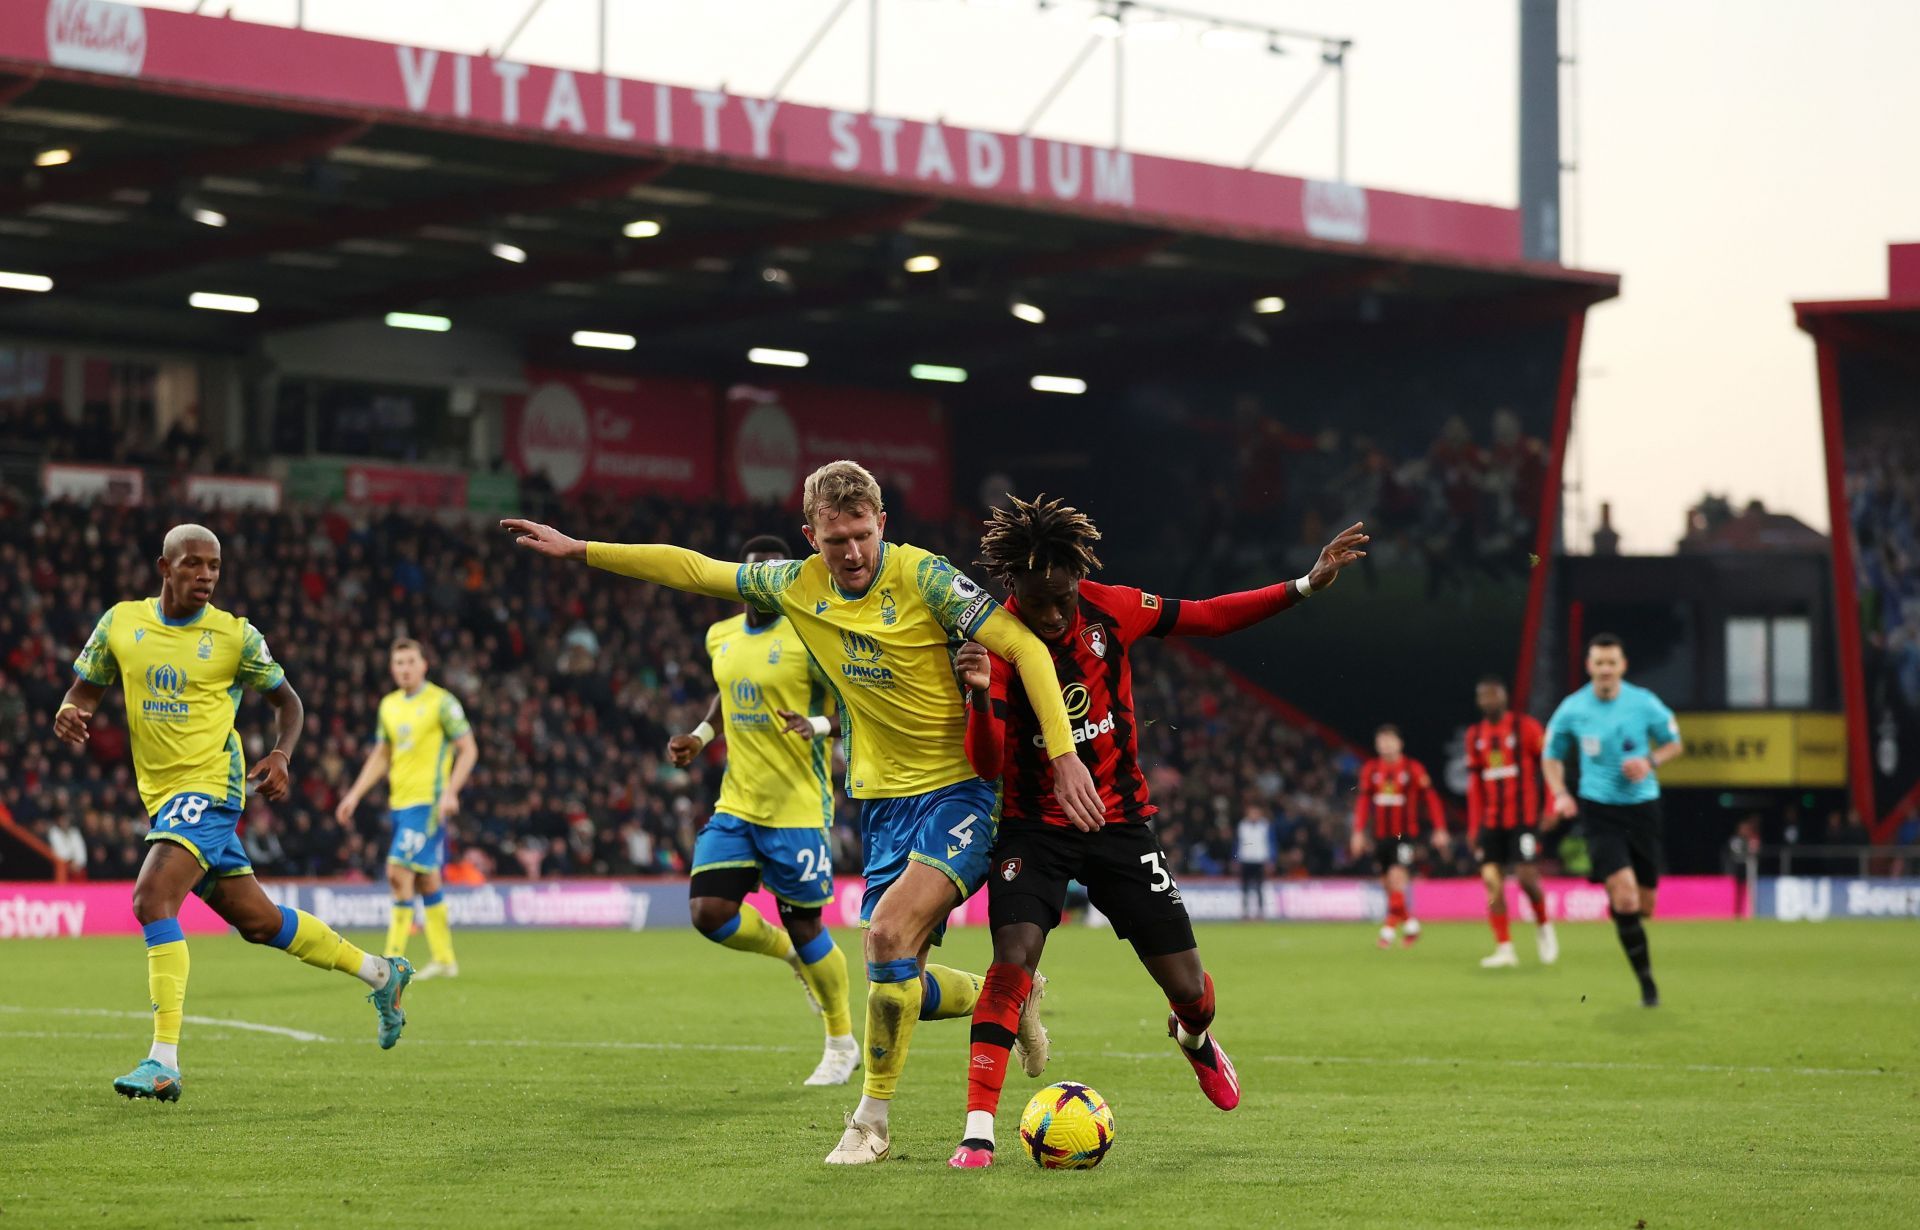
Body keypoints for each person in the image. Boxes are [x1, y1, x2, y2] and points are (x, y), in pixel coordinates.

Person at [502, 460, 1103, 1165]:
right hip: (879, 805)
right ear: (809, 536)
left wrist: (1064, 757)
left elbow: (1026, 646)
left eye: (861, 535)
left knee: (883, 940)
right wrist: (581, 549)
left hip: (960, 791)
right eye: (834, 539)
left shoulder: (927, 578)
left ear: (882, 525)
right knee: (897, 972)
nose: (850, 553)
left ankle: (870, 1122)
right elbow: (695, 569)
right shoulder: (793, 583)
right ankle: (1010, 991)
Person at [947, 495, 1367, 1168]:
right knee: (1011, 963)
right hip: (1035, 829)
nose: (1054, 615)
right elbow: (988, 762)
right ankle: (977, 1130)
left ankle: (1194, 1040)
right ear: (1011, 589)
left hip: (1120, 826)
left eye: (1063, 597)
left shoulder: (1112, 609)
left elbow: (1207, 617)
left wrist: (1304, 584)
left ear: (1078, 579)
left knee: (1193, 992)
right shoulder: (995, 643)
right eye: (1038, 601)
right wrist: (973, 696)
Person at [54, 524, 411, 1103]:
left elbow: (287, 701)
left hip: (214, 786)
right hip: (163, 795)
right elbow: (86, 689)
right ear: (163, 567)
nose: (206, 576)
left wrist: (280, 752)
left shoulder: (235, 637)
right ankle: (381, 973)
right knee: (261, 923)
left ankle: (162, 1061)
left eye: (215, 566)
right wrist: (70, 710)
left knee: (151, 899)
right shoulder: (121, 623)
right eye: (193, 564)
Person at [664, 533, 858, 1088]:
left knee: (806, 924)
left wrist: (815, 726)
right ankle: (790, 957)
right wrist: (702, 735)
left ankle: (841, 1043)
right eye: (756, 572)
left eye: (777, 573)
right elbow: (729, 690)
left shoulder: (809, 637)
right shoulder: (720, 635)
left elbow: (855, 702)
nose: (766, 582)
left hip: (796, 806)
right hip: (738, 802)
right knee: (708, 912)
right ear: (741, 577)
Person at [1543, 633, 1684, 1006]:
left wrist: (1649, 762)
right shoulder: (1573, 709)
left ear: (1622, 666)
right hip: (1598, 809)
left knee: (1644, 906)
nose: (1605, 670)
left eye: (1611, 663)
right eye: (1598, 663)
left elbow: (1674, 743)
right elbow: (1551, 755)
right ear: (1589, 666)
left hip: (1643, 808)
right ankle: (1648, 986)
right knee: (1625, 898)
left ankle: (1621, 903)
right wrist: (1560, 793)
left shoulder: (1644, 703)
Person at [337, 638, 478, 979]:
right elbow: (382, 755)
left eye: (410, 662)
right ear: (392, 668)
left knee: (397, 873)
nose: (404, 668)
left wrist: (451, 792)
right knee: (426, 881)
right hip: (399, 803)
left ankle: (391, 962)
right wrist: (354, 794)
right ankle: (445, 959)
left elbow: (468, 749)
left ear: (424, 665)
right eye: (398, 663)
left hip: (427, 803)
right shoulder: (388, 706)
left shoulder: (442, 702)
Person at [1464, 675, 1557, 968]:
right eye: (1484, 696)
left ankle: (1543, 926)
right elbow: (1476, 785)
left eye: (1495, 694)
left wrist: (1552, 805)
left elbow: (1549, 765)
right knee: (1491, 882)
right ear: (1479, 702)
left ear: (1504, 697)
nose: (1490, 700)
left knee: (1528, 878)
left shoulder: (1526, 727)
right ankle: (1505, 948)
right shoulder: (1475, 735)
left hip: (1524, 819)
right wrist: (1473, 826)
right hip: (1491, 822)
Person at [1350, 725, 1450, 948]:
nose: (1385, 745)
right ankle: (1411, 924)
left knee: (1397, 877)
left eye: (1390, 740)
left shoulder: (1412, 769)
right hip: (1381, 836)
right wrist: (1358, 831)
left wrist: (1440, 828)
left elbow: (1431, 799)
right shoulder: (1371, 769)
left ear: (1399, 743)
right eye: (1381, 740)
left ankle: (1387, 931)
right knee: (1388, 885)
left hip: (1404, 835)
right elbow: (1364, 802)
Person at [1235, 801, 1274, 920]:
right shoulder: (1242, 825)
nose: (1254, 815)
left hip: (1259, 860)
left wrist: (1271, 859)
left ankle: (1260, 912)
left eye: (1256, 813)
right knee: (1245, 888)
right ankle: (1245, 912)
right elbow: (1237, 843)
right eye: (1251, 813)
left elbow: (1271, 843)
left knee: (1259, 888)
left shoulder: (1265, 826)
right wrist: (1236, 858)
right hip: (1246, 860)